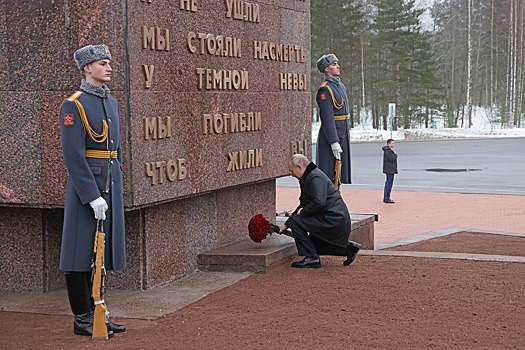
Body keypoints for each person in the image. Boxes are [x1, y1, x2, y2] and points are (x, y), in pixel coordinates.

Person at [59, 44, 126, 337]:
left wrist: (116, 178)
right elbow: (73, 155)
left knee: (100, 252)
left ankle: (99, 308)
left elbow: (115, 149)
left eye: (109, 62)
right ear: (87, 68)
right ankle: (82, 317)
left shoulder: (110, 102)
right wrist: (90, 194)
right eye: (101, 63)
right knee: (78, 253)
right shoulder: (74, 104)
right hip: (87, 188)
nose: (108, 67)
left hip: (110, 183)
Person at [279, 154, 361, 268]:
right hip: (334, 218)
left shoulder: (314, 178)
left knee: (297, 224)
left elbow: (318, 202)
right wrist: (286, 225)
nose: (291, 175)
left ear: (299, 167)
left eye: (292, 171)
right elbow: (305, 204)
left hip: (334, 220)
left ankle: (311, 257)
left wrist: (301, 214)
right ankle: (348, 248)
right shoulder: (311, 176)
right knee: (300, 228)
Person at [315, 53, 351, 185]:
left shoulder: (340, 86)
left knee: (339, 173)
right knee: (329, 174)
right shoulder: (325, 90)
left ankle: (335, 200)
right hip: (331, 136)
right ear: (326, 69)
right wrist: (333, 141)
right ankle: (328, 203)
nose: (338, 66)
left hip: (342, 132)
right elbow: (327, 118)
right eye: (334, 64)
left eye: (337, 63)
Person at [382, 139, 398, 203]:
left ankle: (386, 197)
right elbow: (392, 159)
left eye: (394, 143)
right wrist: (395, 156)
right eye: (392, 143)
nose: (393, 144)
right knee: (389, 183)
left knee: (388, 182)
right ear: (388, 144)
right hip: (390, 170)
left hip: (389, 169)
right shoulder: (388, 151)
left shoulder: (388, 151)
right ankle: (386, 197)